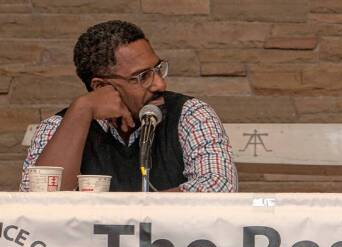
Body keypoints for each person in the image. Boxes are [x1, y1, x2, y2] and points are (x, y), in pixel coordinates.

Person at [20, 20, 238, 192]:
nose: (160, 83)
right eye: (142, 77)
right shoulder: (56, 126)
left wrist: (122, 213)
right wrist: (82, 108)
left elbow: (218, 186)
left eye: (158, 69)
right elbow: (37, 205)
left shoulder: (191, 114)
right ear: (101, 86)